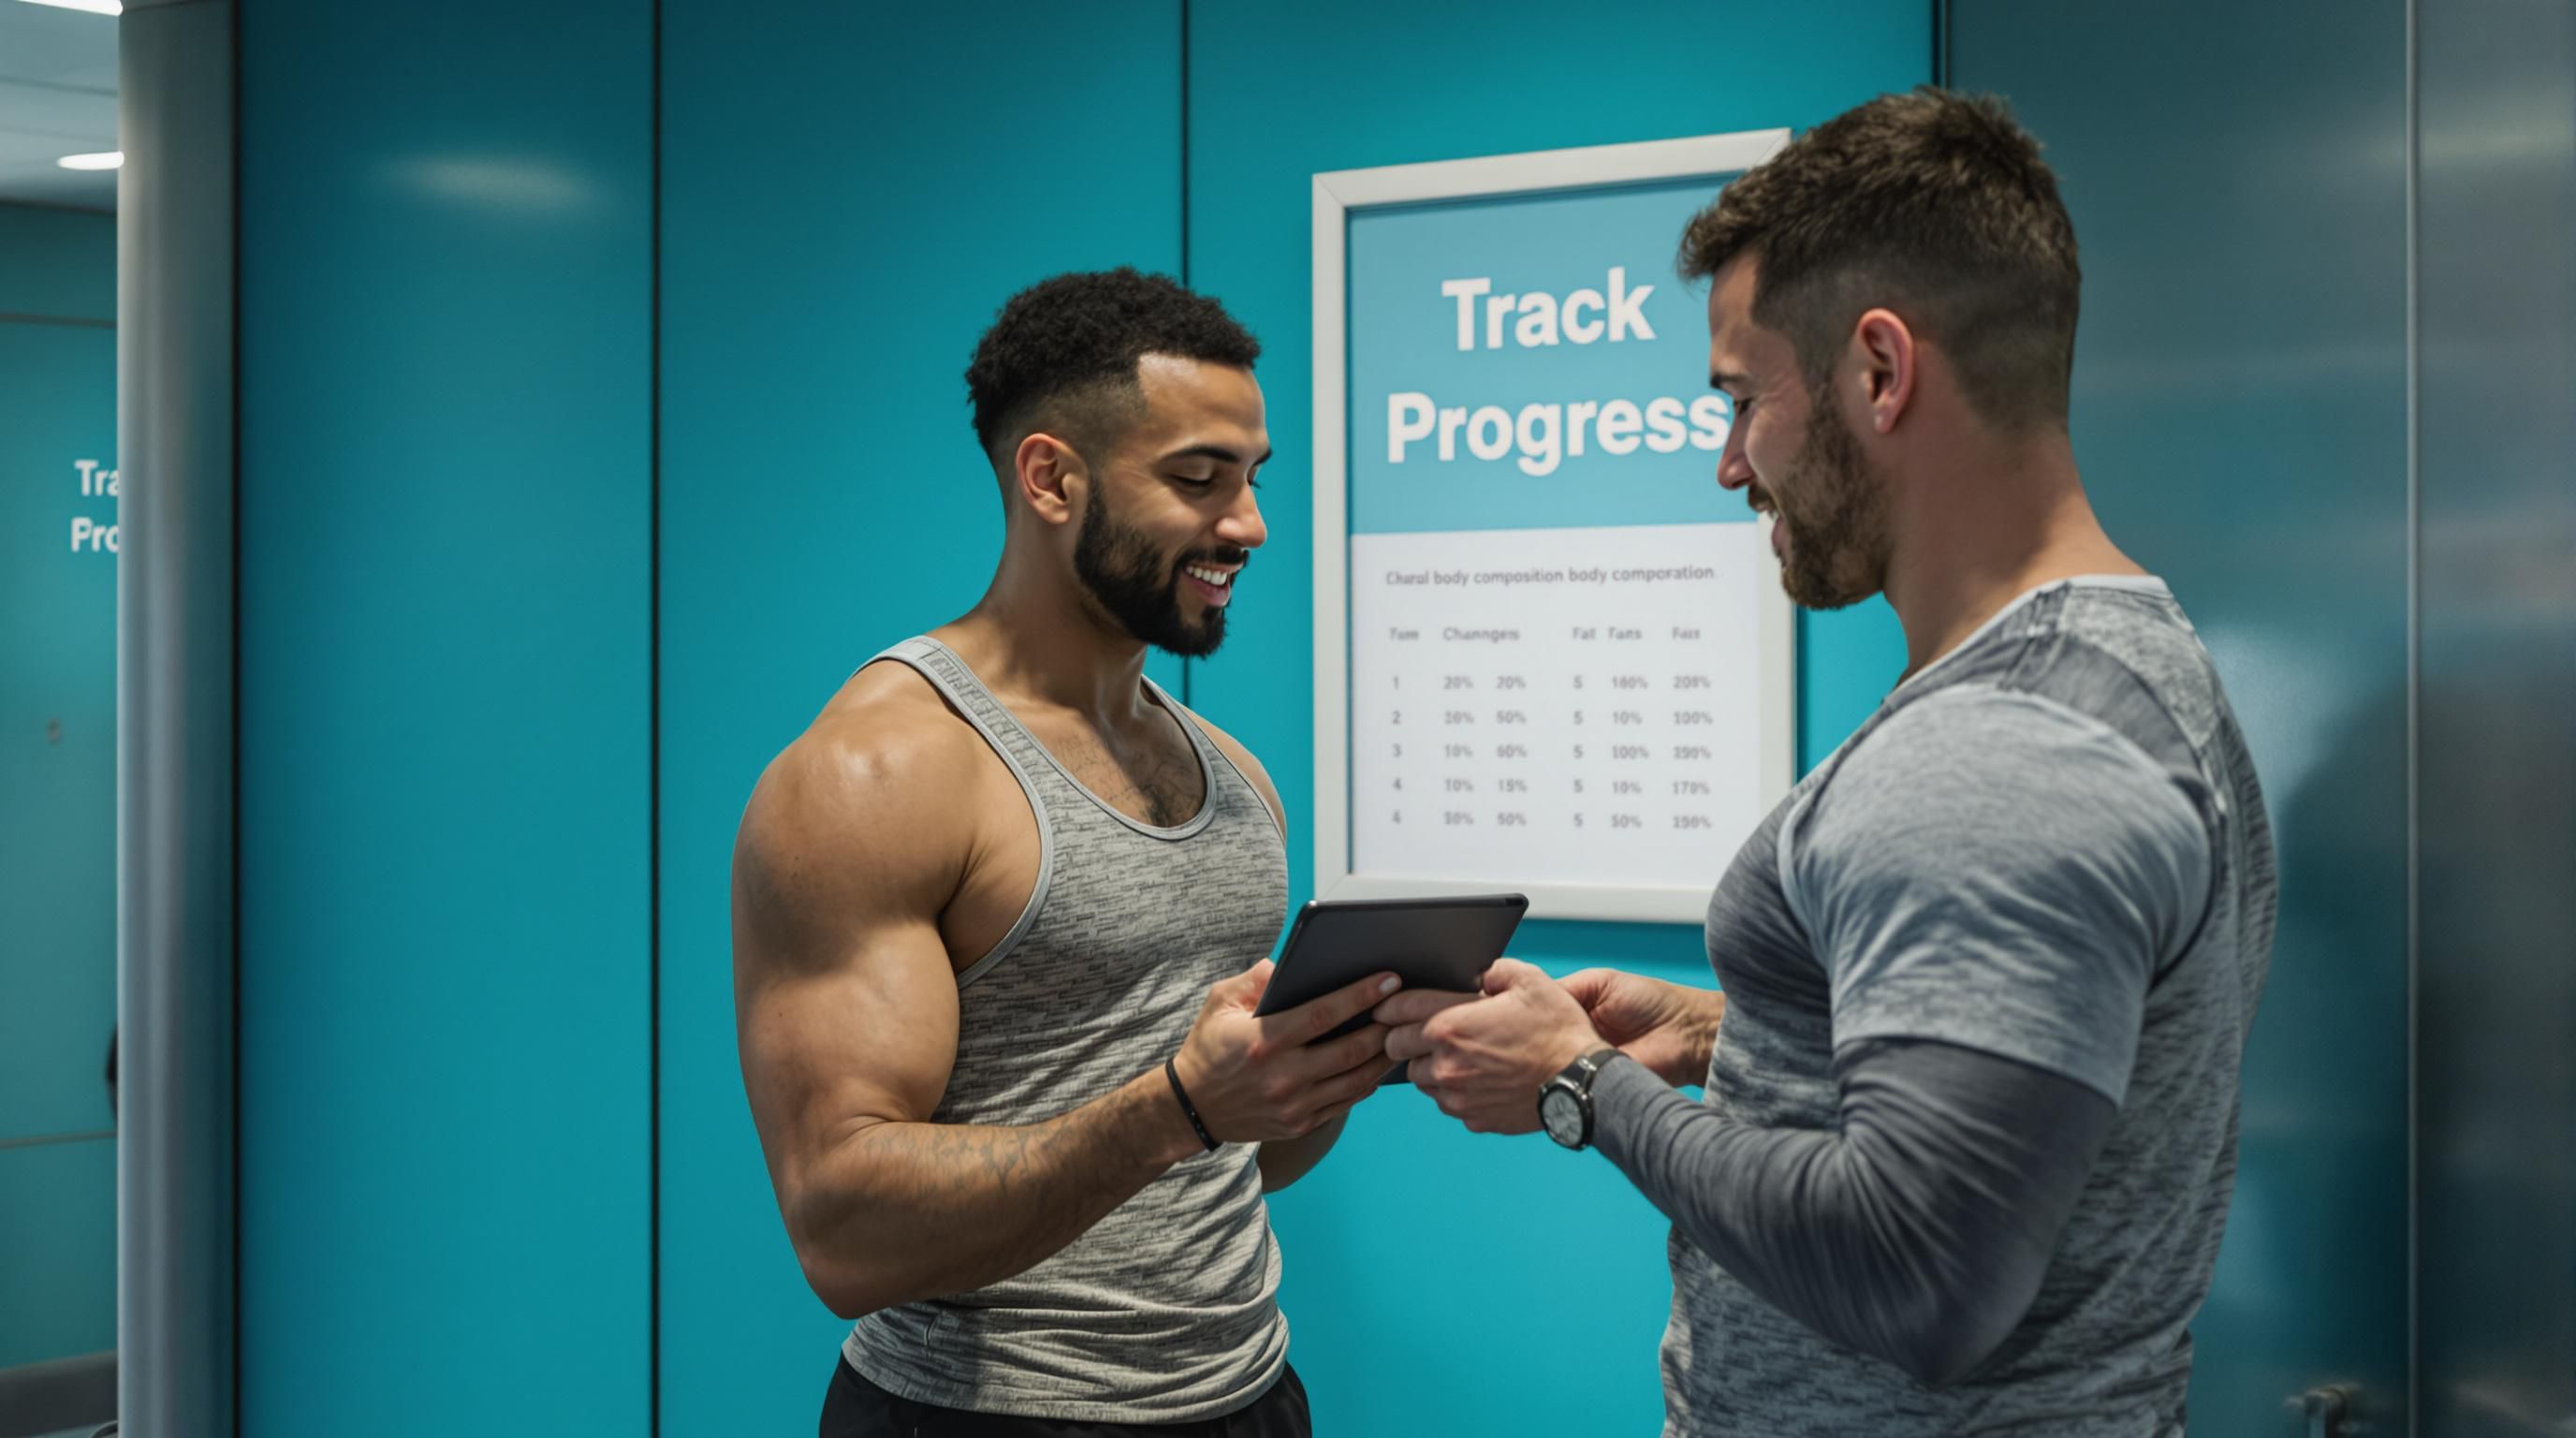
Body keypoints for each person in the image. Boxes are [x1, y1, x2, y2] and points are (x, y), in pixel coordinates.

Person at [1379, 89, 2277, 1436]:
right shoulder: (2118, 669)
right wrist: (1712, 1040)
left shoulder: (1998, 757)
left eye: (1743, 400)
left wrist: (1580, 1088)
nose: (1732, 464)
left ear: (1878, 371)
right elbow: (2031, 1107)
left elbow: (1918, 1273)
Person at [733, 269, 1398, 1438]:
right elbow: (840, 1230)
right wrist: (1175, 1108)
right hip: (981, 1415)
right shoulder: (875, 774)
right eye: (1198, 479)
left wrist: (1347, 1049)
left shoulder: (1233, 779)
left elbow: (1243, 1160)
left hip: (1248, 1396)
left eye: (1251, 480)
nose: (1246, 524)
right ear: (1050, 477)